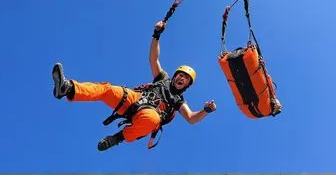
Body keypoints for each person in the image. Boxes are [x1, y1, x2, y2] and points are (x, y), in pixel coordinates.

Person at [51, 20, 217, 151]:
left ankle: (117, 138)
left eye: (185, 78)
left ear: (187, 85)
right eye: (180, 74)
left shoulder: (178, 100)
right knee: (108, 89)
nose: (181, 78)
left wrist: (206, 111)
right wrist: (156, 35)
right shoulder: (163, 78)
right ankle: (68, 88)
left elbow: (191, 118)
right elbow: (153, 59)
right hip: (135, 99)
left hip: (148, 115)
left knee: (153, 119)